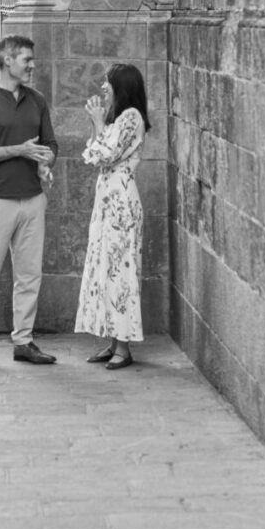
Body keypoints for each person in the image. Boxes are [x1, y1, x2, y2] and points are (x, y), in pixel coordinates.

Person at [0, 35, 58, 370]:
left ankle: (23, 341)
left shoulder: (37, 101)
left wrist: (47, 161)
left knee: (30, 275)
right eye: (25, 60)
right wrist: (19, 150)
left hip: (32, 200)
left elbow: (50, 143)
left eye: (32, 60)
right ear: (6, 60)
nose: (32, 65)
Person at [75, 62, 149, 369]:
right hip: (107, 204)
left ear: (122, 86)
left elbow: (104, 153)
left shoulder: (132, 117)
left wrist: (95, 122)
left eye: (108, 83)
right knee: (105, 270)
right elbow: (92, 154)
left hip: (120, 205)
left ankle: (125, 347)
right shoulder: (117, 119)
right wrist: (99, 124)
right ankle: (113, 340)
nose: (103, 87)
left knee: (121, 272)